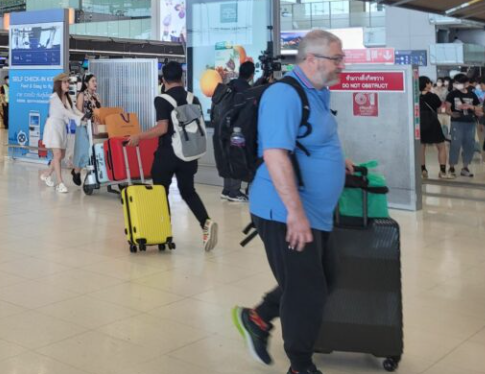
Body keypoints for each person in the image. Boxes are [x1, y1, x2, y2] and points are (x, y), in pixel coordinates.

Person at [232, 30, 355, 374]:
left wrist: (337, 161)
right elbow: (275, 155)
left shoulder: (318, 92)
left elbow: (312, 139)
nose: (342, 65)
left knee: (325, 278)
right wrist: (295, 214)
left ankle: (257, 318)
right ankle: (300, 365)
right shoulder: (284, 95)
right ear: (312, 59)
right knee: (306, 291)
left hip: (315, 212)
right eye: (337, 58)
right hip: (284, 211)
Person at [127, 61, 218, 252]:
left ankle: (164, 231)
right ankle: (205, 222)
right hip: (189, 153)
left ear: (163, 80)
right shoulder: (193, 98)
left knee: (160, 192)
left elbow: (162, 128)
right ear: (182, 78)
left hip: (168, 154)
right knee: (188, 191)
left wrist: (139, 136)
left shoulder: (162, 100)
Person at [39, 73, 85, 194]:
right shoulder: (54, 97)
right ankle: (60, 183)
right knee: (58, 154)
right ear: (59, 84)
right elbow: (64, 112)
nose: (68, 84)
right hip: (53, 127)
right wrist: (77, 119)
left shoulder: (67, 97)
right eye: (65, 82)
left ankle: (47, 174)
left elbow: (74, 110)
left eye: (68, 82)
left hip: (62, 127)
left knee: (61, 155)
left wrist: (84, 117)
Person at [219, 61, 256, 202]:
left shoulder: (230, 85)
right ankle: (234, 192)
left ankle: (227, 190)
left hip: (223, 127)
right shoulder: (247, 90)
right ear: (251, 75)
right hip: (238, 130)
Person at [445, 72, 479, 178]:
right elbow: (447, 110)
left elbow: (478, 108)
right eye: (455, 82)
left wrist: (471, 107)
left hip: (470, 122)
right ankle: (451, 167)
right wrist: (452, 114)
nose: (457, 84)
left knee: (469, 145)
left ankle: (465, 167)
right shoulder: (452, 94)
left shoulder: (472, 94)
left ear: (466, 83)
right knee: (455, 144)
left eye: (459, 82)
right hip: (457, 122)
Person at [72, 74, 101, 186]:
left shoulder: (97, 96)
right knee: (83, 150)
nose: (95, 83)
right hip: (83, 126)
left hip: (94, 127)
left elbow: (100, 111)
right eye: (93, 81)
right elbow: (78, 111)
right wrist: (85, 116)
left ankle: (91, 174)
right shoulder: (82, 95)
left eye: (96, 81)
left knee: (93, 151)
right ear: (86, 83)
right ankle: (76, 171)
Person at [419, 76, 448, 179]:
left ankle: (423, 170)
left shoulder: (416, 97)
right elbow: (439, 110)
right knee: (441, 147)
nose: (430, 84)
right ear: (427, 84)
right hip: (433, 123)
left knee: (421, 149)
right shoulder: (433, 96)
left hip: (420, 125)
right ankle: (442, 171)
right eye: (429, 82)